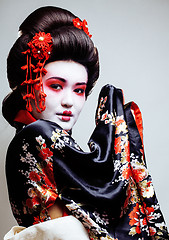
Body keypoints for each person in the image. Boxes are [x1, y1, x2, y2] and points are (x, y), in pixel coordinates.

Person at [2, 6, 169, 240]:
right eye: (56, 86)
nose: (69, 102)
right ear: (28, 84)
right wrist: (118, 139)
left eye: (79, 90)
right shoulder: (34, 135)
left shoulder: (56, 149)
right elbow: (104, 193)